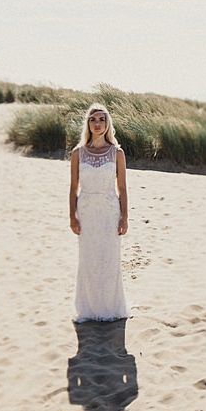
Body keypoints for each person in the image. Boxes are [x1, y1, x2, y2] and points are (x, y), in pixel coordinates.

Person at [69, 103, 130, 323]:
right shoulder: (78, 153)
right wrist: (72, 216)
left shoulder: (117, 153)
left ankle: (109, 308)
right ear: (88, 123)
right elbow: (73, 187)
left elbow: (122, 188)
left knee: (109, 259)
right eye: (93, 119)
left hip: (109, 211)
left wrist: (124, 217)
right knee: (88, 259)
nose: (97, 124)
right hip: (85, 211)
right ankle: (88, 310)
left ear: (107, 124)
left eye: (102, 120)